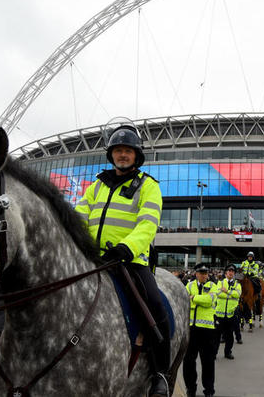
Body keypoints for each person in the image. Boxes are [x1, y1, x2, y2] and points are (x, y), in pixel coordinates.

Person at [74, 122, 170, 396]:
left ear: (136, 156)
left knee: (155, 305)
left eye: (128, 151)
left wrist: (126, 247)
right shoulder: (97, 185)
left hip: (129, 261)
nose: (123, 155)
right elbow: (79, 215)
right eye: (118, 150)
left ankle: (160, 372)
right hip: (91, 258)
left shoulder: (149, 186)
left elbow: (148, 223)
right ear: (111, 155)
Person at [183, 263, 217, 397]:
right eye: (201, 273)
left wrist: (194, 298)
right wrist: (196, 300)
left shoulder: (213, 286)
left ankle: (209, 390)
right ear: (196, 274)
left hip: (207, 329)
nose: (204, 275)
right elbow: (184, 299)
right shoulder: (189, 285)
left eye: (206, 273)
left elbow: (210, 301)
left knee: (208, 362)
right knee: (189, 362)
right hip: (191, 329)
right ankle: (191, 388)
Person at [214, 265, 241, 360]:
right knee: (216, 336)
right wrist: (231, 295)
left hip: (231, 315)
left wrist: (227, 291)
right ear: (226, 273)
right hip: (219, 314)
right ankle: (214, 353)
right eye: (229, 271)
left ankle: (228, 352)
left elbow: (237, 295)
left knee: (230, 336)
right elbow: (218, 294)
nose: (231, 272)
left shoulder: (238, 284)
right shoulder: (220, 283)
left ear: (234, 273)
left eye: (232, 271)